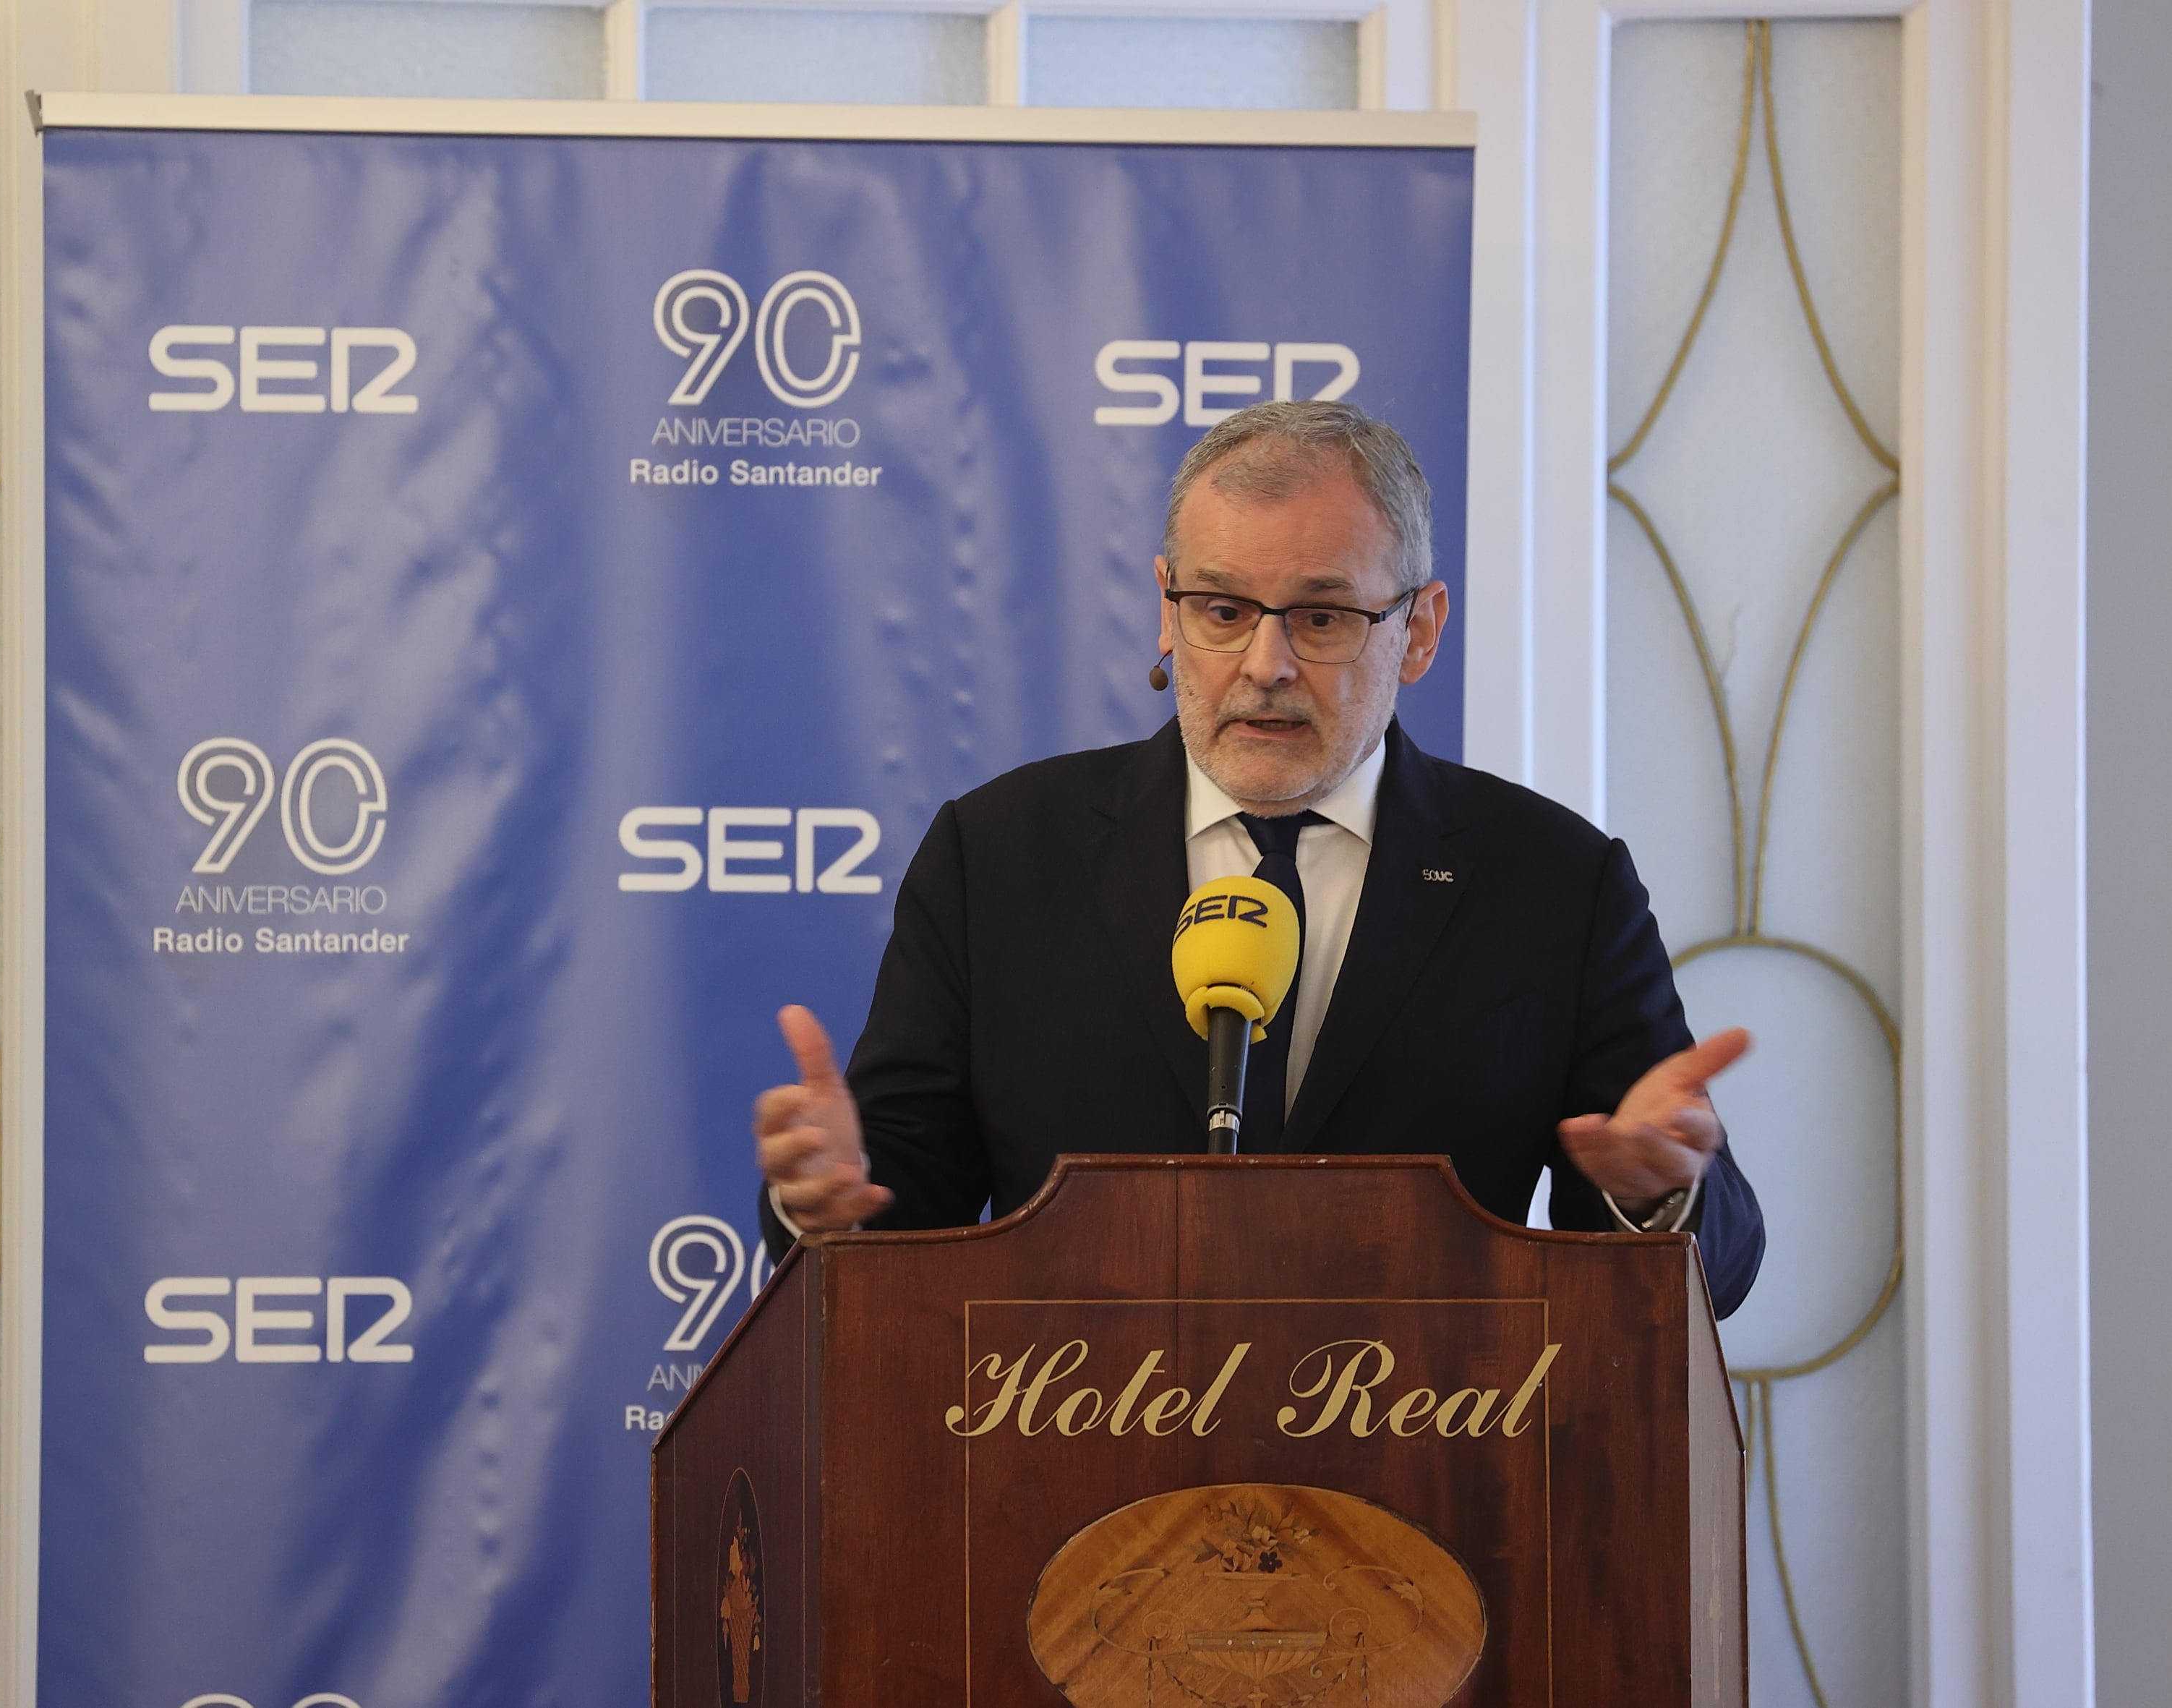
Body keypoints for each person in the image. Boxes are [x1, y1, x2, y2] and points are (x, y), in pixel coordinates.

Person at [750, 400, 1763, 1316]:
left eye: (1322, 617)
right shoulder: (1003, 856)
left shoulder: (1552, 884)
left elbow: (1714, 1268)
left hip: (1423, 1488)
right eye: (1223, 610)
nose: (1265, 664)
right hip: (1071, 1482)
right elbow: (898, 1216)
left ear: (1419, 631)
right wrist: (829, 1203)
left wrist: (1653, 1192)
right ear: (1166, 606)